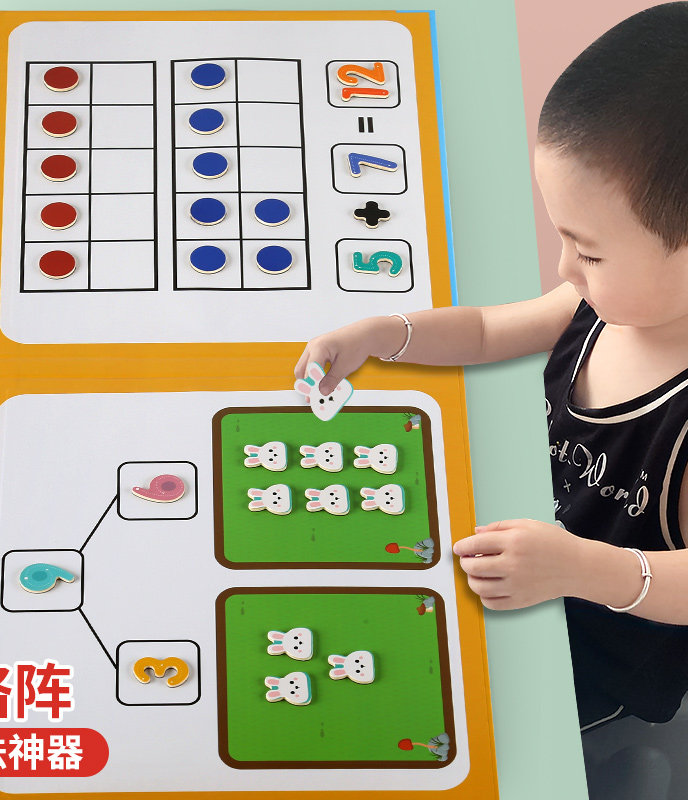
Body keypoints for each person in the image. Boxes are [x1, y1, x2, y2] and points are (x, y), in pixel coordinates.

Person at [295, 4, 688, 797]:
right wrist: (385, 332)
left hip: (602, 664)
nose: (564, 268)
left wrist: (578, 566)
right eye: (562, 237)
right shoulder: (602, 304)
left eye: (590, 250)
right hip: (526, 584)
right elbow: (484, 330)